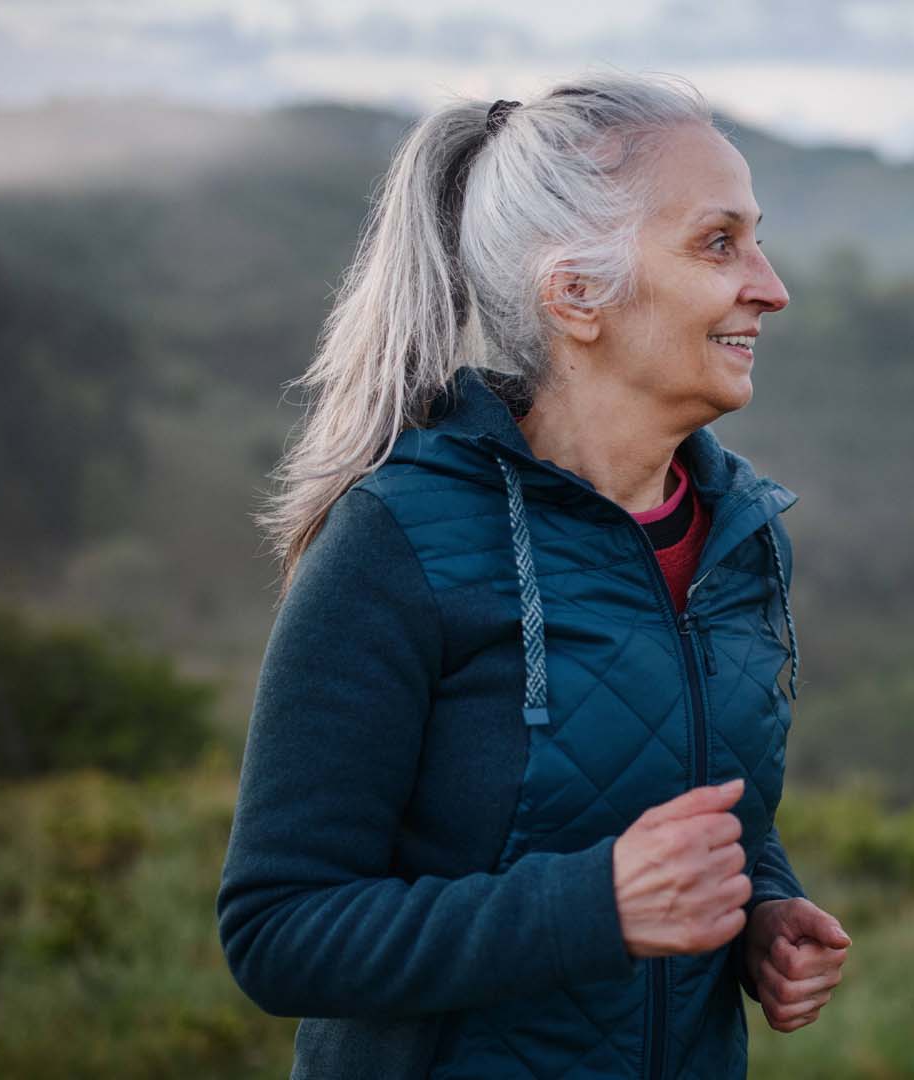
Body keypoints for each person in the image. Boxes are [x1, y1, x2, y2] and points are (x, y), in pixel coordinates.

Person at [216, 70, 850, 1078]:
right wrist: (592, 908)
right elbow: (278, 931)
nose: (770, 285)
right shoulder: (398, 543)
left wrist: (761, 912)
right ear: (576, 295)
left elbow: (686, 792)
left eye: (757, 239)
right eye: (719, 243)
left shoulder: (738, 537)